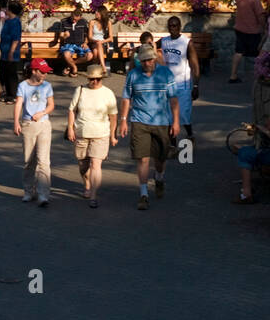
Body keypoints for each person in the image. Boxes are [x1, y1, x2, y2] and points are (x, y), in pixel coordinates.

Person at [118, 40, 180, 210]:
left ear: (154, 58)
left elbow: (173, 99)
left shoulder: (166, 74)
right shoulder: (133, 74)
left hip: (161, 122)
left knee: (160, 159)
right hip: (139, 121)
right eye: (143, 60)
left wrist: (176, 121)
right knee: (142, 158)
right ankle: (144, 194)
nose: (147, 63)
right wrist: (123, 120)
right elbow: (126, 98)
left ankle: (159, 178)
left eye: (149, 60)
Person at [66, 63, 118, 208]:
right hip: (81, 132)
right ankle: (86, 183)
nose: (94, 82)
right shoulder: (80, 90)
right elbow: (72, 110)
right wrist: (70, 128)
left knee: (96, 164)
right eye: (91, 79)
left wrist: (113, 135)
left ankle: (94, 195)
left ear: (102, 78)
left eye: (97, 79)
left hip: (101, 133)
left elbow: (113, 116)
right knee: (83, 165)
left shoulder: (108, 93)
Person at [14, 58, 54, 206]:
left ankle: (44, 195)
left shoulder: (47, 86)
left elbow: (51, 105)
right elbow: (19, 103)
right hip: (28, 125)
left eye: (46, 72)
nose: (44, 75)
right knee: (28, 161)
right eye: (42, 72)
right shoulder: (23, 86)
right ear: (34, 71)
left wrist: (42, 113)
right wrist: (16, 122)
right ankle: (28, 191)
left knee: (44, 161)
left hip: (43, 124)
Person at [157, 15, 199, 140]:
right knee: (170, 114)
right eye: (170, 26)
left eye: (175, 25)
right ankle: (172, 143)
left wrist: (196, 85)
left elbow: (195, 65)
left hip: (183, 84)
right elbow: (150, 46)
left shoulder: (186, 43)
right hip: (168, 84)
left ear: (179, 27)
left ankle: (190, 133)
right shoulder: (164, 41)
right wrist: (138, 50)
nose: (172, 28)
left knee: (184, 113)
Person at [230, 0, 266, 82]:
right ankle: (261, 76)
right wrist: (264, 27)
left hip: (239, 28)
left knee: (238, 52)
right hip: (252, 30)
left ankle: (233, 75)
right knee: (260, 53)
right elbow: (260, 15)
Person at [0, 0, 23, 103]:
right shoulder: (7, 21)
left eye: (7, 8)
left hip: (11, 51)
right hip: (3, 50)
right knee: (3, 72)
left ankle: (12, 95)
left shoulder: (15, 22)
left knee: (11, 74)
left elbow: (16, 38)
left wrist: (11, 52)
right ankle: (6, 92)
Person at [57, 4, 92, 76]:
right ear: (71, 15)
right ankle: (74, 67)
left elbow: (86, 35)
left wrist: (85, 43)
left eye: (76, 19)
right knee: (66, 54)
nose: (73, 21)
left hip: (80, 44)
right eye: (72, 18)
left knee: (90, 56)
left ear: (80, 17)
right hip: (68, 44)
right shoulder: (64, 21)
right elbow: (60, 36)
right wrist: (64, 36)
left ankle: (69, 66)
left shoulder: (83, 22)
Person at [88, 5, 113, 73]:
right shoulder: (92, 22)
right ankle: (103, 67)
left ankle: (96, 67)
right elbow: (90, 37)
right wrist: (95, 41)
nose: (96, 13)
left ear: (102, 13)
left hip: (102, 43)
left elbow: (111, 38)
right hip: (93, 42)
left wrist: (102, 41)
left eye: (97, 12)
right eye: (96, 12)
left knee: (96, 51)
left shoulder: (108, 23)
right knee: (97, 46)